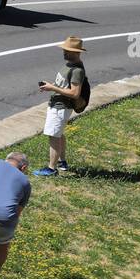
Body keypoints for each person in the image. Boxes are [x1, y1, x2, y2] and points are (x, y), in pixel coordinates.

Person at [34, 36, 87, 176]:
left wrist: (53, 88)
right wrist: (50, 86)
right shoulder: (69, 64)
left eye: (67, 50)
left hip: (61, 107)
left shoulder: (77, 70)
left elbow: (75, 93)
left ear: (76, 52)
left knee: (53, 136)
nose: (64, 52)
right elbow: (63, 85)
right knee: (59, 134)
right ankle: (62, 162)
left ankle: (51, 169)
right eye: (64, 49)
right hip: (57, 105)